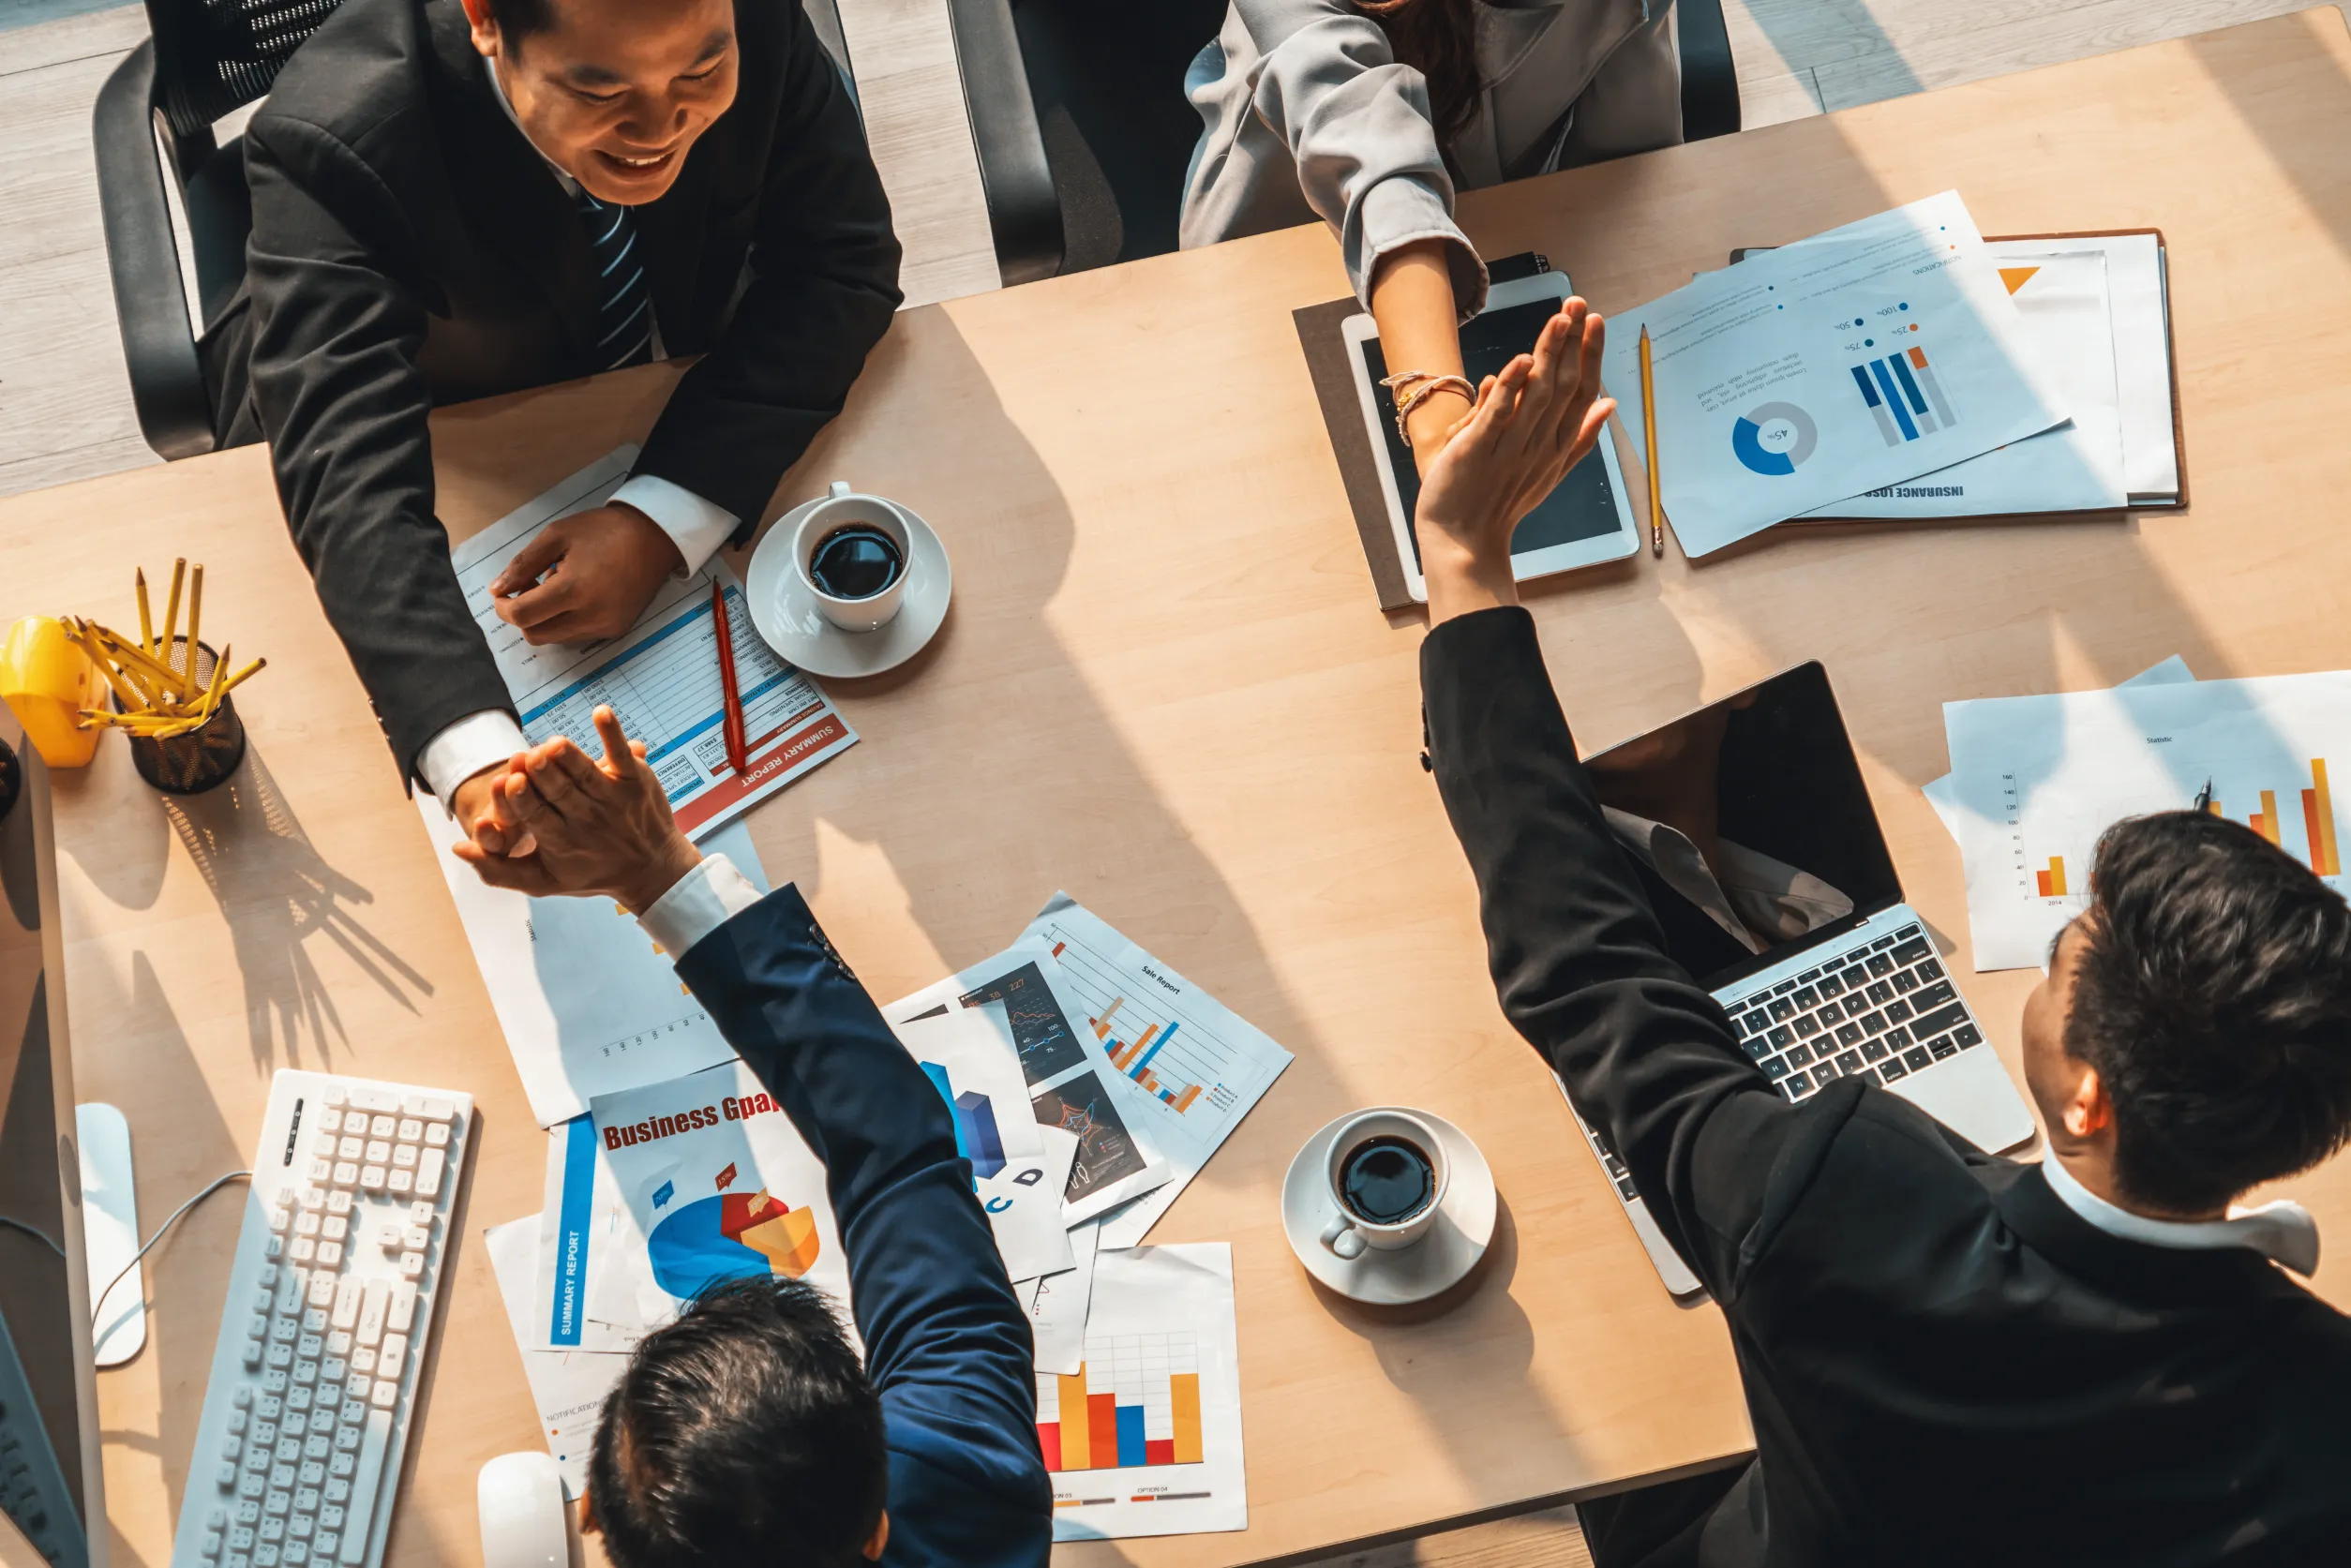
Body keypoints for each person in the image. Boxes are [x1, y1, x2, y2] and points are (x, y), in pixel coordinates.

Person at [1406, 299, 2351, 1561]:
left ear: (2085, 1099)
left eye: (2075, 943)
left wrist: (1465, 565)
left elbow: (1588, 976)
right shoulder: (2322, 1420)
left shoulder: (1844, 1211)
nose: (2059, 943)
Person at [200, 0, 903, 858]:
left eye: (699, 76)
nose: (659, 128)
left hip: (656, 394)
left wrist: (659, 516)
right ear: (486, 20)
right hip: (445, 426)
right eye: (600, 89)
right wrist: (478, 758)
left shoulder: (741, 17)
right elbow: (351, 477)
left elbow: (842, 262)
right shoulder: (335, 137)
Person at [451, 708, 1049, 1566]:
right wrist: (659, 869)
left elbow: (896, 1152)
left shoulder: (964, 1462)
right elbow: (897, 1154)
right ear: (877, 1530)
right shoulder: (967, 1475)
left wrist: (653, 874)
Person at [1179, 0, 1679, 455]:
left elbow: (1625, 163)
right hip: (1280, 270)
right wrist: (1440, 431)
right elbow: (1379, 172)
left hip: (1498, 252)